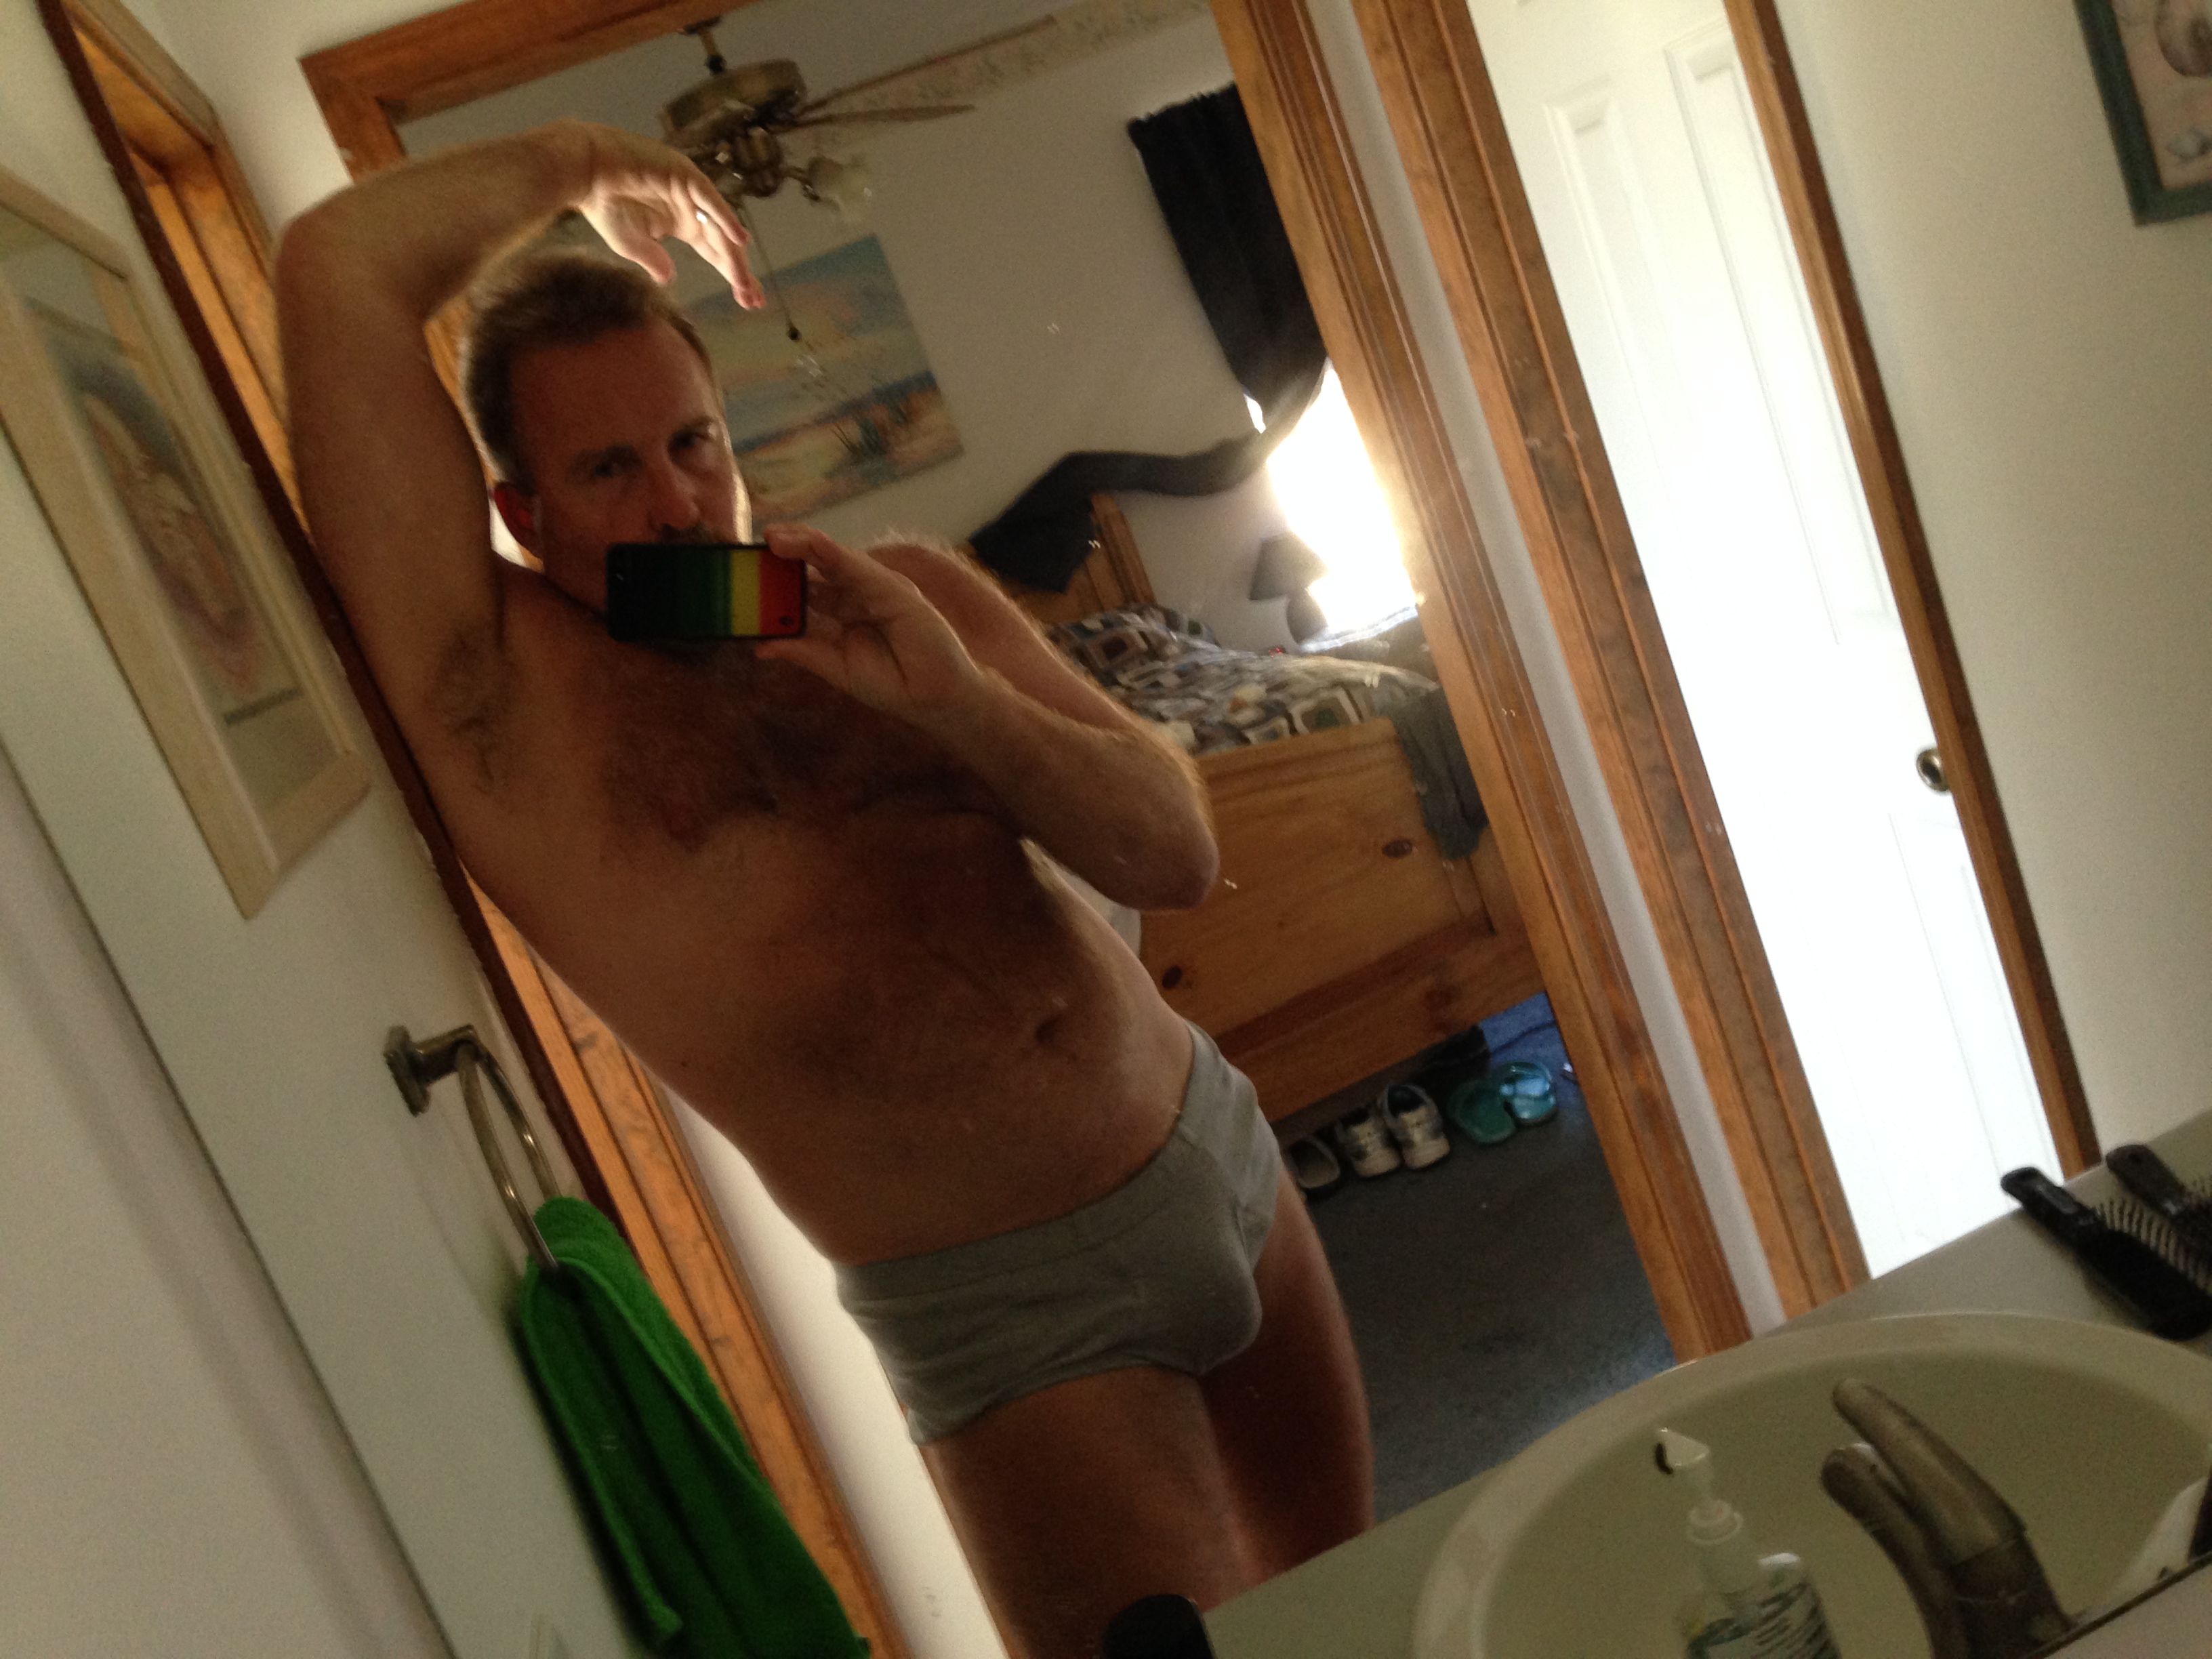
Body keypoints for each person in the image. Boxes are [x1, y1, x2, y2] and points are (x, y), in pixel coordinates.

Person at [278, 119, 1372, 1657]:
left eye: (693, 444)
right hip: (1015, 1321)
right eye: (607, 470)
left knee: (1371, 1607)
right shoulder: (505, 711)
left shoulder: (899, 597)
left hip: (1215, 1148)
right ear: (522, 517)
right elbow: (335, 267)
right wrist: (589, 168)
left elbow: (1174, 856)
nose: (677, 507)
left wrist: (959, 707)